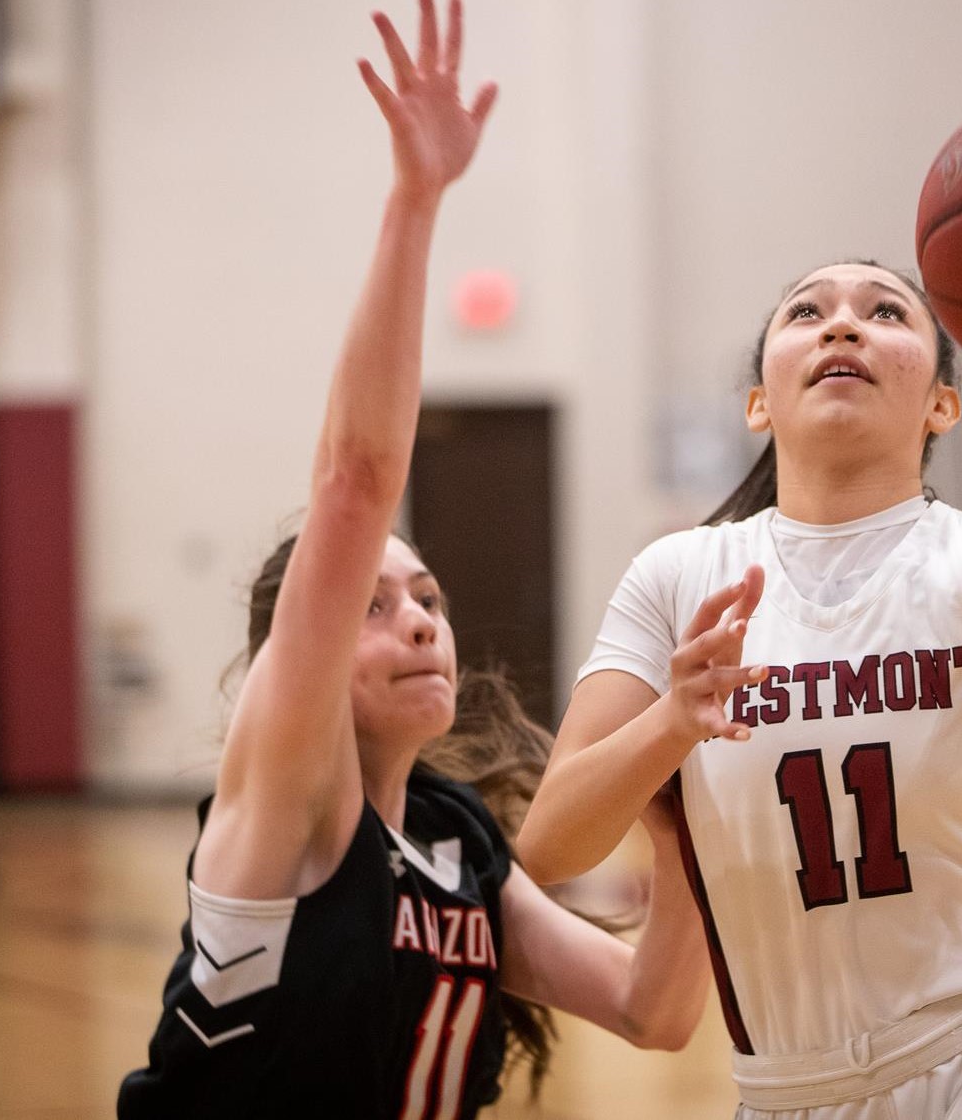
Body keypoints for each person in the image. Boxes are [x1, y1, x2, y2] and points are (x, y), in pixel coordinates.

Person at [118, 4, 713, 1115]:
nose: (423, 621)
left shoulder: (455, 839)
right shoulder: (286, 802)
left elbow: (652, 1009)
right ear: (291, 659)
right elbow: (352, 480)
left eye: (427, 597)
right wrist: (416, 201)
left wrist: (678, 799)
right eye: (376, 604)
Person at [518, 205, 962, 1119]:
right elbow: (549, 847)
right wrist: (671, 720)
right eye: (806, 312)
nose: (845, 323)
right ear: (758, 404)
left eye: (887, 312)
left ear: (942, 403)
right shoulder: (676, 579)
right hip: (795, 1089)